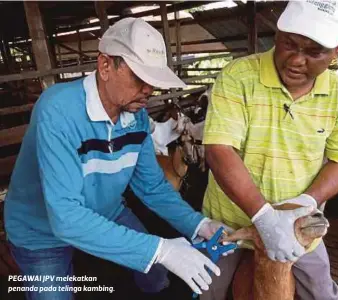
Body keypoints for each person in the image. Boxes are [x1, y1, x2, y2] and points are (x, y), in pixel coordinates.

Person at [4, 17, 233, 300]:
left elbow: (152, 187)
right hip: (41, 229)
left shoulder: (136, 119)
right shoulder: (58, 111)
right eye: (140, 78)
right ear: (105, 66)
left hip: (105, 211)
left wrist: (198, 224)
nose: (149, 90)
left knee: (156, 276)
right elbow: (65, 218)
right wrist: (159, 249)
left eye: (153, 81)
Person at [200, 1, 338, 300]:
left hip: (298, 229)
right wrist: (262, 216)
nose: (296, 60)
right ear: (278, 30)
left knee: (323, 294)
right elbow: (220, 149)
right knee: (209, 292)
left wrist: (303, 203)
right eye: (289, 43)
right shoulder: (238, 77)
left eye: (314, 52)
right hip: (230, 226)